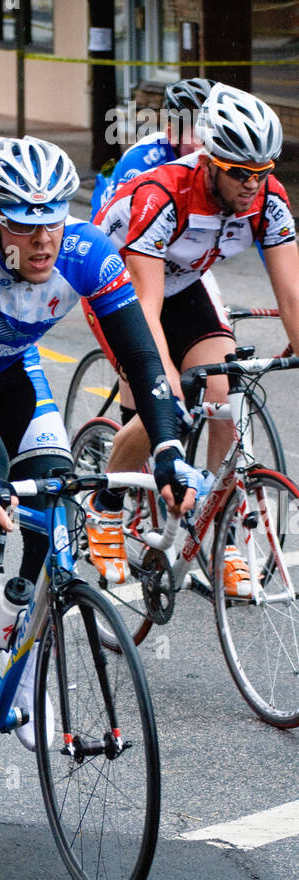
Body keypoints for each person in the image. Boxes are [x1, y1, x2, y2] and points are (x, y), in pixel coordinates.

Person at [0, 136, 187, 728]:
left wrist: (169, 447)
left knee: (55, 494)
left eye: (53, 221)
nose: (44, 239)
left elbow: (143, 360)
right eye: (26, 227)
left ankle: (19, 662)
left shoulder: (88, 251)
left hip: (14, 366)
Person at [89, 83, 299, 594]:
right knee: (169, 396)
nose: (253, 184)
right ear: (210, 160)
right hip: (118, 283)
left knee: (226, 392)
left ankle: (222, 539)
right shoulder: (162, 194)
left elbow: (292, 292)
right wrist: (161, 384)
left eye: (263, 170)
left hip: (186, 278)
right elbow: (148, 313)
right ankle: (105, 504)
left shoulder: (268, 198)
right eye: (240, 173)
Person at [90, 78, 213, 215]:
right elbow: (126, 220)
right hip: (110, 207)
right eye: (200, 136)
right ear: (172, 134)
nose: (209, 146)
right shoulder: (142, 159)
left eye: (214, 135)